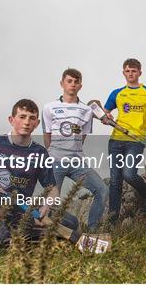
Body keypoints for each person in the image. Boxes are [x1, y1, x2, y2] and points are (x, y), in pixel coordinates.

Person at [0, 99, 78, 243]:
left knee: (70, 222)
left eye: (32, 118)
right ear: (11, 120)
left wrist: (47, 204)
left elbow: (52, 188)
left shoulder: (40, 152)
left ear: (37, 123)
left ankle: (23, 237)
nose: (27, 122)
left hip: (21, 210)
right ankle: (18, 239)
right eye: (22, 117)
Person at [42, 68, 109, 232]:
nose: (72, 84)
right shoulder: (49, 107)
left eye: (76, 82)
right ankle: (46, 235)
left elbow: (82, 137)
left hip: (77, 162)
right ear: (62, 83)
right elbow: (47, 137)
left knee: (102, 190)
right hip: (55, 160)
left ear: (80, 85)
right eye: (69, 81)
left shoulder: (86, 110)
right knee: (50, 201)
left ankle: (92, 230)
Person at [102, 58, 146, 222]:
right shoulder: (117, 93)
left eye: (134, 71)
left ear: (140, 73)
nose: (130, 74)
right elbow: (104, 113)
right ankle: (113, 220)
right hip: (115, 141)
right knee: (115, 181)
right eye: (127, 71)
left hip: (136, 141)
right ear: (123, 72)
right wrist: (106, 117)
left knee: (129, 174)